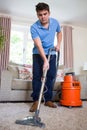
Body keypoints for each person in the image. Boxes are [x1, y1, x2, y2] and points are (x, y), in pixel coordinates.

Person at [30, 2, 62, 112]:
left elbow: (59, 32)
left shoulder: (55, 22)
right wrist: (45, 60)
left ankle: (48, 99)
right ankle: (35, 101)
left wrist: (58, 44)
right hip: (38, 54)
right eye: (40, 15)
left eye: (45, 14)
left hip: (52, 53)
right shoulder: (34, 27)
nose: (43, 17)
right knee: (37, 76)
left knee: (51, 75)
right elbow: (38, 45)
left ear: (49, 13)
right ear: (37, 15)